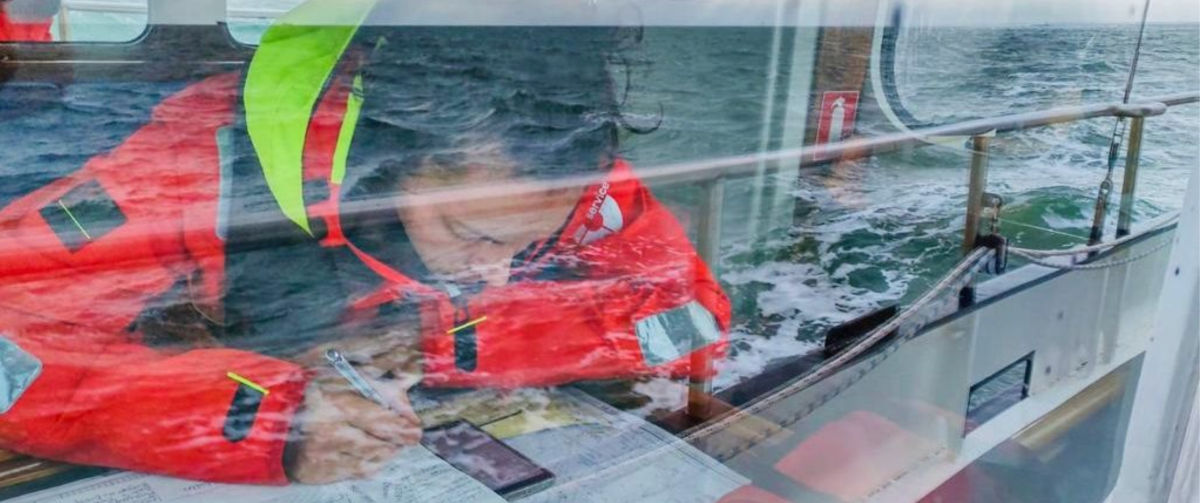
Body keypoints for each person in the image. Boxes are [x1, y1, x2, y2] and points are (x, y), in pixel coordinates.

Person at [0, 0, 730, 486]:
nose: (498, 272)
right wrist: (272, 423)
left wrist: (452, 341)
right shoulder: (190, 171)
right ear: (382, 162)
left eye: (530, 243)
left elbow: (696, 319)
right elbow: (8, 358)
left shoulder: (565, 174)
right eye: (471, 234)